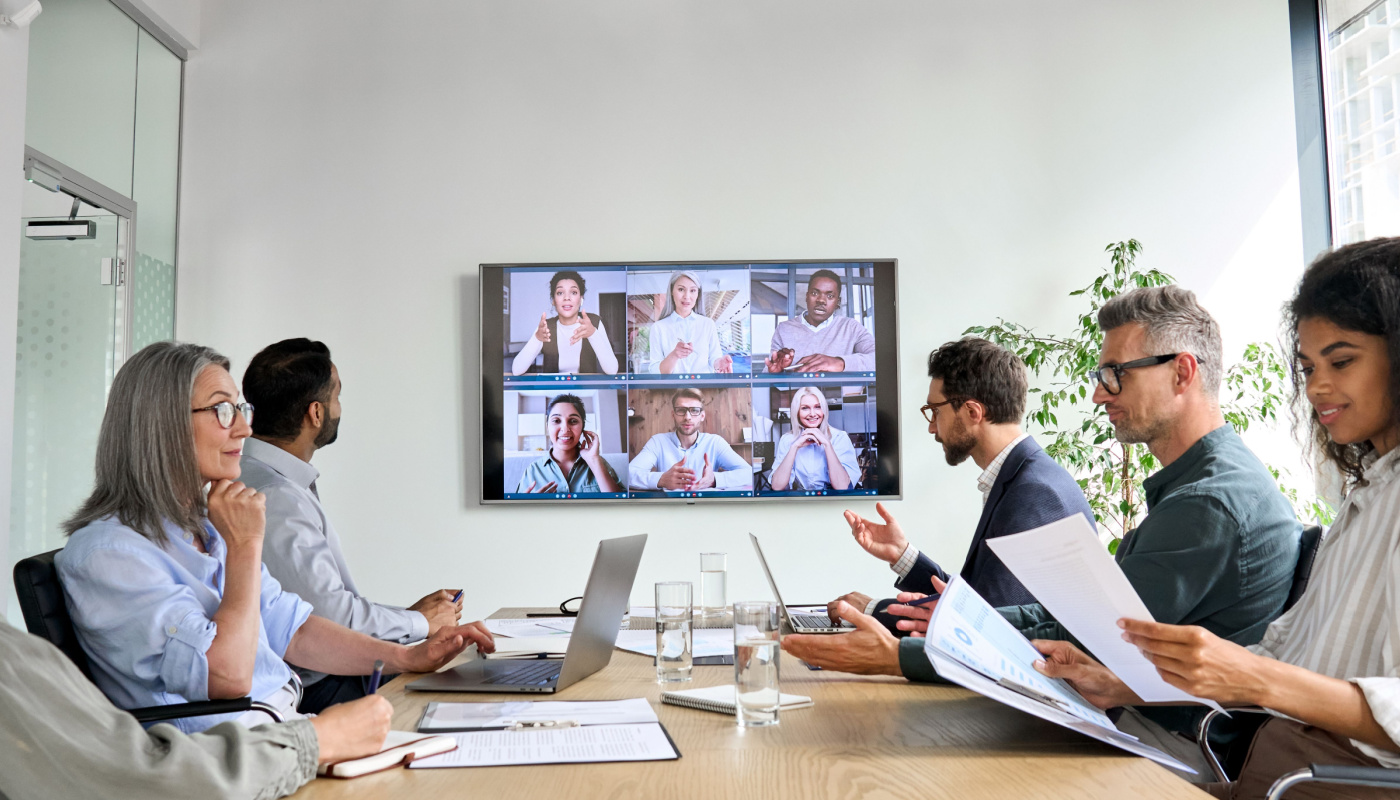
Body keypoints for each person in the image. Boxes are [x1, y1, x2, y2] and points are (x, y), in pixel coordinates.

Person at [784, 286, 1300, 768]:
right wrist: (941, 619)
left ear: (1182, 373)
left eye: (1116, 374)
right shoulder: (1200, 486)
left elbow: (1088, 637)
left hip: (1164, 744)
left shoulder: (1207, 503)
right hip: (1136, 720)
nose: (1100, 396)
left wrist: (902, 656)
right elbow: (1071, 618)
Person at [1037, 238, 1400, 799]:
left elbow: (1268, 675)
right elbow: (1278, 659)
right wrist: (1120, 683)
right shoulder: (1367, 497)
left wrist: (1252, 677)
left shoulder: (1214, 501)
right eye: (1307, 367)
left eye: (1342, 361)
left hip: (1320, 781)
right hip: (1278, 767)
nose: (1317, 387)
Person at [55, 341, 495, 734]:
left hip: (286, 732)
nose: (244, 430)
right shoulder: (109, 554)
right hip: (231, 761)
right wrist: (245, 547)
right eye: (222, 410)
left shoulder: (204, 530)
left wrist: (407, 658)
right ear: (162, 425)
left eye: (240, 411)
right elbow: (227, 676)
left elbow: (294, 629)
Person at [239, 338, 471, 713]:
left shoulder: (262, 479)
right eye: (337, 397)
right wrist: (418, 623)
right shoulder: (277, 497)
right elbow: (328, 616)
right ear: (316, 413)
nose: (338, 409)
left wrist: (407, 620)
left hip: (322, 674)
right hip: (318, 687)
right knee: (458, 688)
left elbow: (320, 603)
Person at [826, 338, 1094, 632]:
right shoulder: (1025, 476)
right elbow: (977, 601)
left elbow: (985, 626)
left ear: (972, 412)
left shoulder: (1034, 493)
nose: (931, 426)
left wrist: (871, 611)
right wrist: (903, 555)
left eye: (935, 411)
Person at [0, 618, 391, 800]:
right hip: (241, 758)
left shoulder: (212, 535)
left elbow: (291, 624)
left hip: (269, 745)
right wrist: (317, 740)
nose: (244, 447)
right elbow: (145, 778)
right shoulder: (112, 555)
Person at [628, 388, 752, 492]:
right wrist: (661, 479)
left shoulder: (715, 443)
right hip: (668, 510)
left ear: (702, 416)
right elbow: (629, 474)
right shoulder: (657, 442)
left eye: (694, 411)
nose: (687, 417)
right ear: (673, 415)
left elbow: (748, 474)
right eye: (681, 410)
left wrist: (714, 479)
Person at [764, 269, 875, 373]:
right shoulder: (784, 329)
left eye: (830, 296)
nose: (821, 300)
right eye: (815, 293)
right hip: (796, 394)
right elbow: (769, 370)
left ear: (837, 302)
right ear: (807, 297)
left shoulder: (851, 327)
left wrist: (840, 362)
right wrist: (776, 373)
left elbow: (879, 359)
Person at [510, 270, 619, 375]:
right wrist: (537, 338)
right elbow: (517, 370)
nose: (567, 298)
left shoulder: (594, 322)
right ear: (553, 300)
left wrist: (593, 334)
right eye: (560, 293)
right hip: (554, 393)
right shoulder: (546, 327)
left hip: (587, 393)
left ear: (581, 298)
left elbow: (612, 370)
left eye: (573, 292)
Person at [515, 393, 624, 494]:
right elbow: (517, 512)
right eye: (556, 421)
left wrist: (594, 460)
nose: (565, 429)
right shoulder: (533, 470)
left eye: (573, 421)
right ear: (547, 426)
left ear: (582, 427)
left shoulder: (598, 462)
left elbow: (620, 506)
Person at [770, 386, 861, 491]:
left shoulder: (840, 437)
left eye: (818, 407)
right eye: (805, 408)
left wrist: (827, 445)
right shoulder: (787, 440)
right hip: (802, 501)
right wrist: (794, 447)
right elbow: (777, 486)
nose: (813, 414)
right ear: (797, 412)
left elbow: (842, 487)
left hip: (834, 501)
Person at [646, 270, 733, 374]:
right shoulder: (659, 328)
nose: (687, 296)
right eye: (681, 289)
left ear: (698, 294)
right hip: (672, 389)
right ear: (672, 292)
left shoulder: (708, 324)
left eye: (692, 290)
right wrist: (674, 355)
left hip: (704, 388)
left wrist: (720, 363)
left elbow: (714, 359)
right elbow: (654, 371)